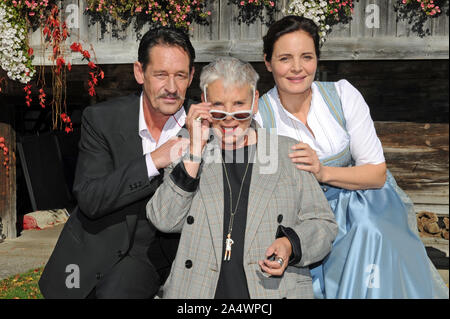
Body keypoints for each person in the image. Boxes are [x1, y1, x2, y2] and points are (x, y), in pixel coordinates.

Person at [255, 15, 449, 299]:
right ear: (268, 62)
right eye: (285, 58)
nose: (297, 68)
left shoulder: (343, 95)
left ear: (317, 60)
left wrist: (323, 172)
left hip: (362, 202)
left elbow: (376, 173)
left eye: (306, 57)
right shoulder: (260, 116)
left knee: (370, 230)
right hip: (303, 214)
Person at [146, 56, 338, 299]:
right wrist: (195, 150)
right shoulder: (186, 149)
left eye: (239, 106)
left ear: (255, 102)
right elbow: (164, 219)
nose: (228, 119)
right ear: (204, 103)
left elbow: (323, 224)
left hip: (271, 291)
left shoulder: (288, 152)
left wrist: (291, 244)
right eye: (218, 107)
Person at [38, 27, 195, 299]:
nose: (171, 87)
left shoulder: (207, 124)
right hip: (102, 249)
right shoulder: (102, 119)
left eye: (180, 75)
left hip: (175, 258)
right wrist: (155, 160)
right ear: (139, 72)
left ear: (191, 76)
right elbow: (90, 198)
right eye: (160, 75)